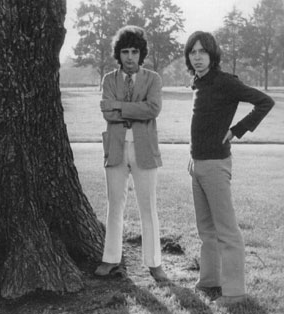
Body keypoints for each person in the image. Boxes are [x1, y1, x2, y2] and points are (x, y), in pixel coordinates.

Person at [184, 31, 274, 306]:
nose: (197, 57)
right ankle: (210, 280)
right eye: (193, 52)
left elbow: (265, 102)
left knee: (226, 231)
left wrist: (237, 129)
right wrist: (193, 156)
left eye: (202, 51)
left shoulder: (225, 82)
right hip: (198, 163)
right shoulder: (199, 83)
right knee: (206, 229)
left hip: (216, 165)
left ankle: (234, 293)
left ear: (212, 54)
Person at [94, 25, 168, 282]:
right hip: (115, 149)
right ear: (118, 54)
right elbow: (107, 112)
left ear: (141, 53)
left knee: (148, 207)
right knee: (115, 206)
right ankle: (111, 259)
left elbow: (153, 109)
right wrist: (127, 108)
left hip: (144, 149)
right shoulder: (109, 79)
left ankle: (155, 263)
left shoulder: (153, 79)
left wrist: (119, 106)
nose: (129, 57)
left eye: (134, 51)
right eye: (124, 51)